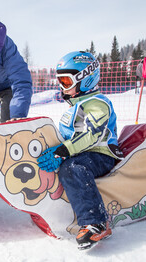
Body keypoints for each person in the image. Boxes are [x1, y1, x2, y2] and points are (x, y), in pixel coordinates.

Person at [37, 51, 124, 250]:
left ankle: (96, 222)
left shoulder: (98, 103)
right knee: (62, 165)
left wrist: (65, 151)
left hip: (101, 154)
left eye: (66, 81)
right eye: (60, 81)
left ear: (86, 80)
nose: (62, 87)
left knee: (72, 168)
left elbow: (93, 134)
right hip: (83, 152)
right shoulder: (76, 106)